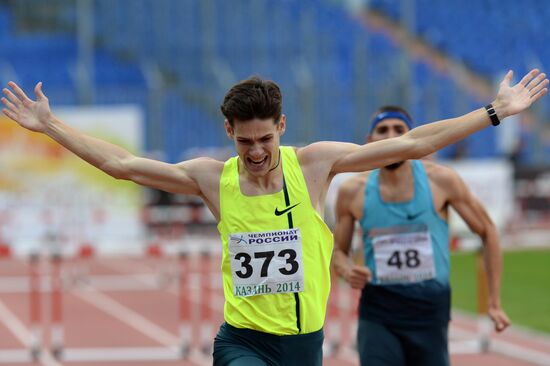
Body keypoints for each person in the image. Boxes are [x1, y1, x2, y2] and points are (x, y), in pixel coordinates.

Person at [1, 69, 546, 366]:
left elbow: (417, 140)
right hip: (244, 342)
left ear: (281, 126)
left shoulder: (314, 165)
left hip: (304, 344)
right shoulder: (211, 177)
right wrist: (51, 127)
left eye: (265, 138)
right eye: (245, 141)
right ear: (228, 134)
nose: (256, 151)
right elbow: (121, 165)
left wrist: (494, 112)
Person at [331, 105, 512, 366]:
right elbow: (339, 251)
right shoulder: (352, 191)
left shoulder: (442, 181)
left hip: (430, 313)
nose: (391, 136)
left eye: (399, 130)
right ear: (370, 142)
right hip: (378, 313)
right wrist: (347, 269)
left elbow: (488, 230)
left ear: (412, 138)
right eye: (382, 130)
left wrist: (494, 301)